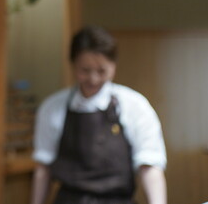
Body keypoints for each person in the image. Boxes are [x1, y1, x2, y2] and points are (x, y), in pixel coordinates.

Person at [29, 26, 167, 204]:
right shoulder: (53, 108)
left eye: (102, 71)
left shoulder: (134, 106)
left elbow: (149, 166)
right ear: (73, 64)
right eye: (85, 70)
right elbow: (43, 168)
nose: (93, 79)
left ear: (114, 65)